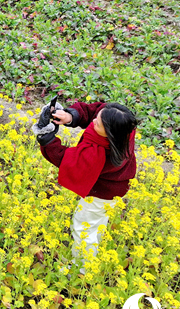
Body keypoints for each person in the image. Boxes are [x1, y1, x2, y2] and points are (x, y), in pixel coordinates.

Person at [33, 100, 138, 275]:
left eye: (99, 123)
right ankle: (91, 251)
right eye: (98, 117)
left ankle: (81, 268)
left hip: (101, 193)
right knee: (96, 222)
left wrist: (46, 137)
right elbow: (93, 111)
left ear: (110, 134)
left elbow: (66, 160)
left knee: (82, 226)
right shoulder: (123, 126)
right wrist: (70, 116)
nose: (94, 121)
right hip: (115, 188)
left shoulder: (99, 153)